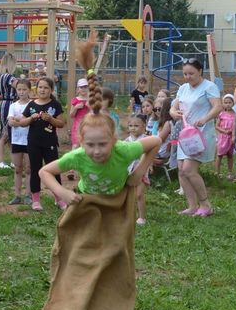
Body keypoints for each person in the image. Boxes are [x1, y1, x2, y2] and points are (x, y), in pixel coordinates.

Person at [37, 43, 165, 205]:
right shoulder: (78, 156)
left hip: (118, 202)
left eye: (103, 144)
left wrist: (139, 172)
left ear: (113, 140)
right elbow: (44, 172)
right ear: (82, 142)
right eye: (90, 145)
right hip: (88, 203)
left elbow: (156, 141)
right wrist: (63, 192)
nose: (96, 151)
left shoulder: (123, 150)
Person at [174, 58, 221, 216]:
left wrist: (205, 119)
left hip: (201, 134)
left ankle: (205, 204)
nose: (188, 77)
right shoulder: (183, 88)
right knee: (181, 171)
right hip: (186, 135)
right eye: (185, 74)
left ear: (200, 71)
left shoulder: (209, 86)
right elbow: (174, 108)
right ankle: (192, 206)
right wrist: (174, 112)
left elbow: (217, 107)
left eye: (191, 73)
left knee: (189, 170)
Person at [15, 76, 64, 212]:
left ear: (51, 90)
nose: (42, 90)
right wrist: (31, 118)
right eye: (40, 87)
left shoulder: (55, 105)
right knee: (35, 170)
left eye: (46, 87)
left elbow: (61, 123)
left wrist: (51, 119)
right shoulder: (31, 105)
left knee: (54, 170)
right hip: (33, 143)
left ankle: (59, 198)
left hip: (50, 143)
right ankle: (35, 200)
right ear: (37, 89)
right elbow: (22, 123)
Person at [6, 78, 32, 205]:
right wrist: (21, 121)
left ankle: (28, 194)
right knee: (17, 169)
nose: (21, 92)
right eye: (19, 89)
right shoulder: (13, 106)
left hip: (30, 141)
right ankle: (17, 195)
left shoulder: (32, 105)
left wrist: (18, 121)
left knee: (29, 169)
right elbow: (10, 122)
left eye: (24, 89)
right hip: (16, 141)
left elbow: (30, 121)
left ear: (29, 90)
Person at [123, 114, 150, 224]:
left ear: (143, 126)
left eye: (136, 125)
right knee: (128, 195)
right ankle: (127, 215)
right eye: (130, 125)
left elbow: (149, 154)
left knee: (139, 194)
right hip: (128, 171)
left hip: (142, 171)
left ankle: (142, 217)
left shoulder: (146, 139)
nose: (133, 128)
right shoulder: (127, 140)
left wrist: (150, 165)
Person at [0, 52, 16, 169]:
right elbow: (18, 86)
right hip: (8, 103)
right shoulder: (9, 77)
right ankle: (0, 161)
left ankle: (12, 161)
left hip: (8, 103)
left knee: (11, 133)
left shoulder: (3, 76)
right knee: (4, 132)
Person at [214, 93, 236, 178]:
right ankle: (217, 172)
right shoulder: (221, 114)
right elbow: (217, 126)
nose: (228, 104)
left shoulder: (235, 114)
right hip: (223, 137)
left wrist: (232, 131)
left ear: (233, 103)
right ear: (223, 103)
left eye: (230, 102)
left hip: (231, 137)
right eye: (226, 102)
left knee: (230, 155)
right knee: (219, 155)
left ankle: (230, 172)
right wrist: (224, 131)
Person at [68, 77, 89, 147]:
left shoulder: (90, 100)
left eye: (85, 87)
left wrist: (90, 106)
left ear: (88, 88)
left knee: (86, 146)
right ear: (78, 89)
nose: (83, 89)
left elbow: (95, 113)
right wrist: (76, 108)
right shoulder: (75, 100)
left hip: (88, 126)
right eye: (81, 87)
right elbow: (71, 115)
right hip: (77, 126)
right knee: (75, 146)